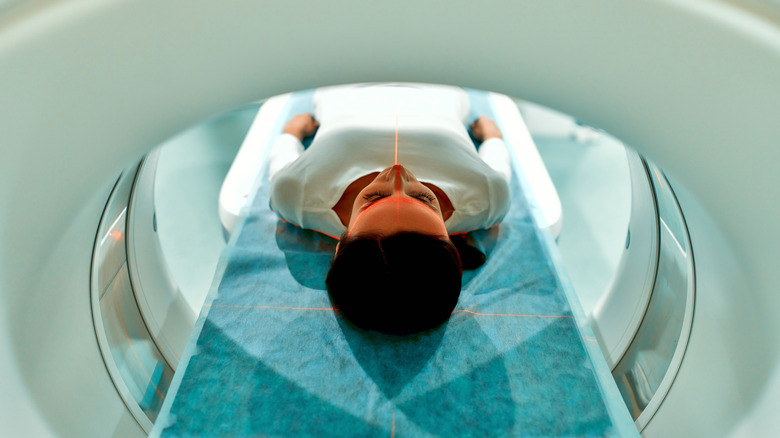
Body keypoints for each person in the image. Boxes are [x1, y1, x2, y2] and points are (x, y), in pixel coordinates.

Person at [267, 84, 511, 334]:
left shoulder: (297, 194)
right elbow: (498, 163)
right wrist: (492, 137)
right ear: (451, 246)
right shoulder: (487, 197)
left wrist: (293, 131)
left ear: (340, 246)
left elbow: (281, 160)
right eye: (423, 198)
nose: (398, 173)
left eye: (373, 197)